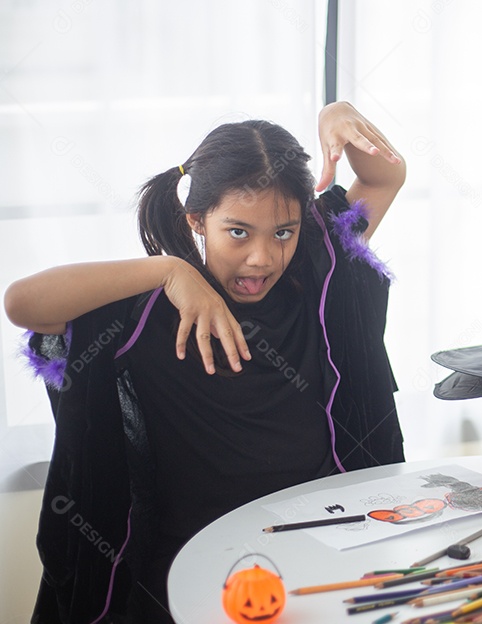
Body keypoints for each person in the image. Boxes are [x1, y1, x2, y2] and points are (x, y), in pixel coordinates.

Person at [5, 101, 407, 624]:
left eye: (282, 232)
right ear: (197, 219)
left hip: (319, 555)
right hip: (190, 574)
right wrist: (170, 271)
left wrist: (339, 115)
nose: (262, 257)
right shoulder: (150, 311)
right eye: (238, 232)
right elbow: (22, 303)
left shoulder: (316, 277)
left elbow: (386, 175)